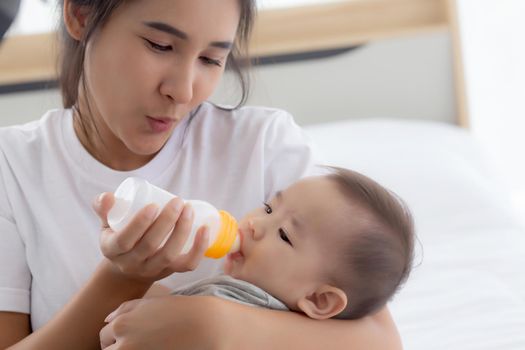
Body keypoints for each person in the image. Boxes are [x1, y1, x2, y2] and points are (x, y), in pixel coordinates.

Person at [0, 0, 403, 349]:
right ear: (80, 15)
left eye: (211, 59)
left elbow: (381, 341)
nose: (184, 90)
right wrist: (122, 278)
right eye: (160, 45)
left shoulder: (264, 145)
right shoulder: (11, 166)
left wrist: (218, 325)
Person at [139, 167, 414, 323]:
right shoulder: (242, 298)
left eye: (284, 235)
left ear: (319, 299)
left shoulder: (228, 308)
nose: (254, 225)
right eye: (268, 209)